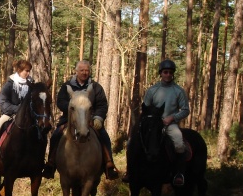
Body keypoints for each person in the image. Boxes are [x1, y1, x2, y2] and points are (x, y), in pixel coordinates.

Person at [43, 59, 119, 180]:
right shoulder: (67, 86)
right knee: (55, 136)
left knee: (104, 137)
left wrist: (98, 118)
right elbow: (60, 101)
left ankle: (109, 165)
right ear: (76, 71)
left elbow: (102, 104)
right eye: (82, 70)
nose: (84, 72)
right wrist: (73, 111)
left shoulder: (96, 87)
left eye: (87, 70)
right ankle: (51, 164)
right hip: (69, 119)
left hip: (91, 120)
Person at [129, 58, 190, 186]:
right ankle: (131, 172)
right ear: (161, 73)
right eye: (165, 72)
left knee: (179, 142)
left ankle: (179, 173)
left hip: (170, 124)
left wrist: (172, 118)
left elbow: (185, 110)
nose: (167, 75)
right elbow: (145, 108)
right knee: (131, 142)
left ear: (173, 74)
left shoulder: (179, 91)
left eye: (170, 72)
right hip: (152, 124)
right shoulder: (152, 90)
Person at [0, 59, 33, 168]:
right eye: (26, 71)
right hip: (10, 114)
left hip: (27, 116)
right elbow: (3, 102)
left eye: (29, 71)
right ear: (19, 70)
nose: (28, 73)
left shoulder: (31, 84)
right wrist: (18, 109)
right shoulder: (9, 84)